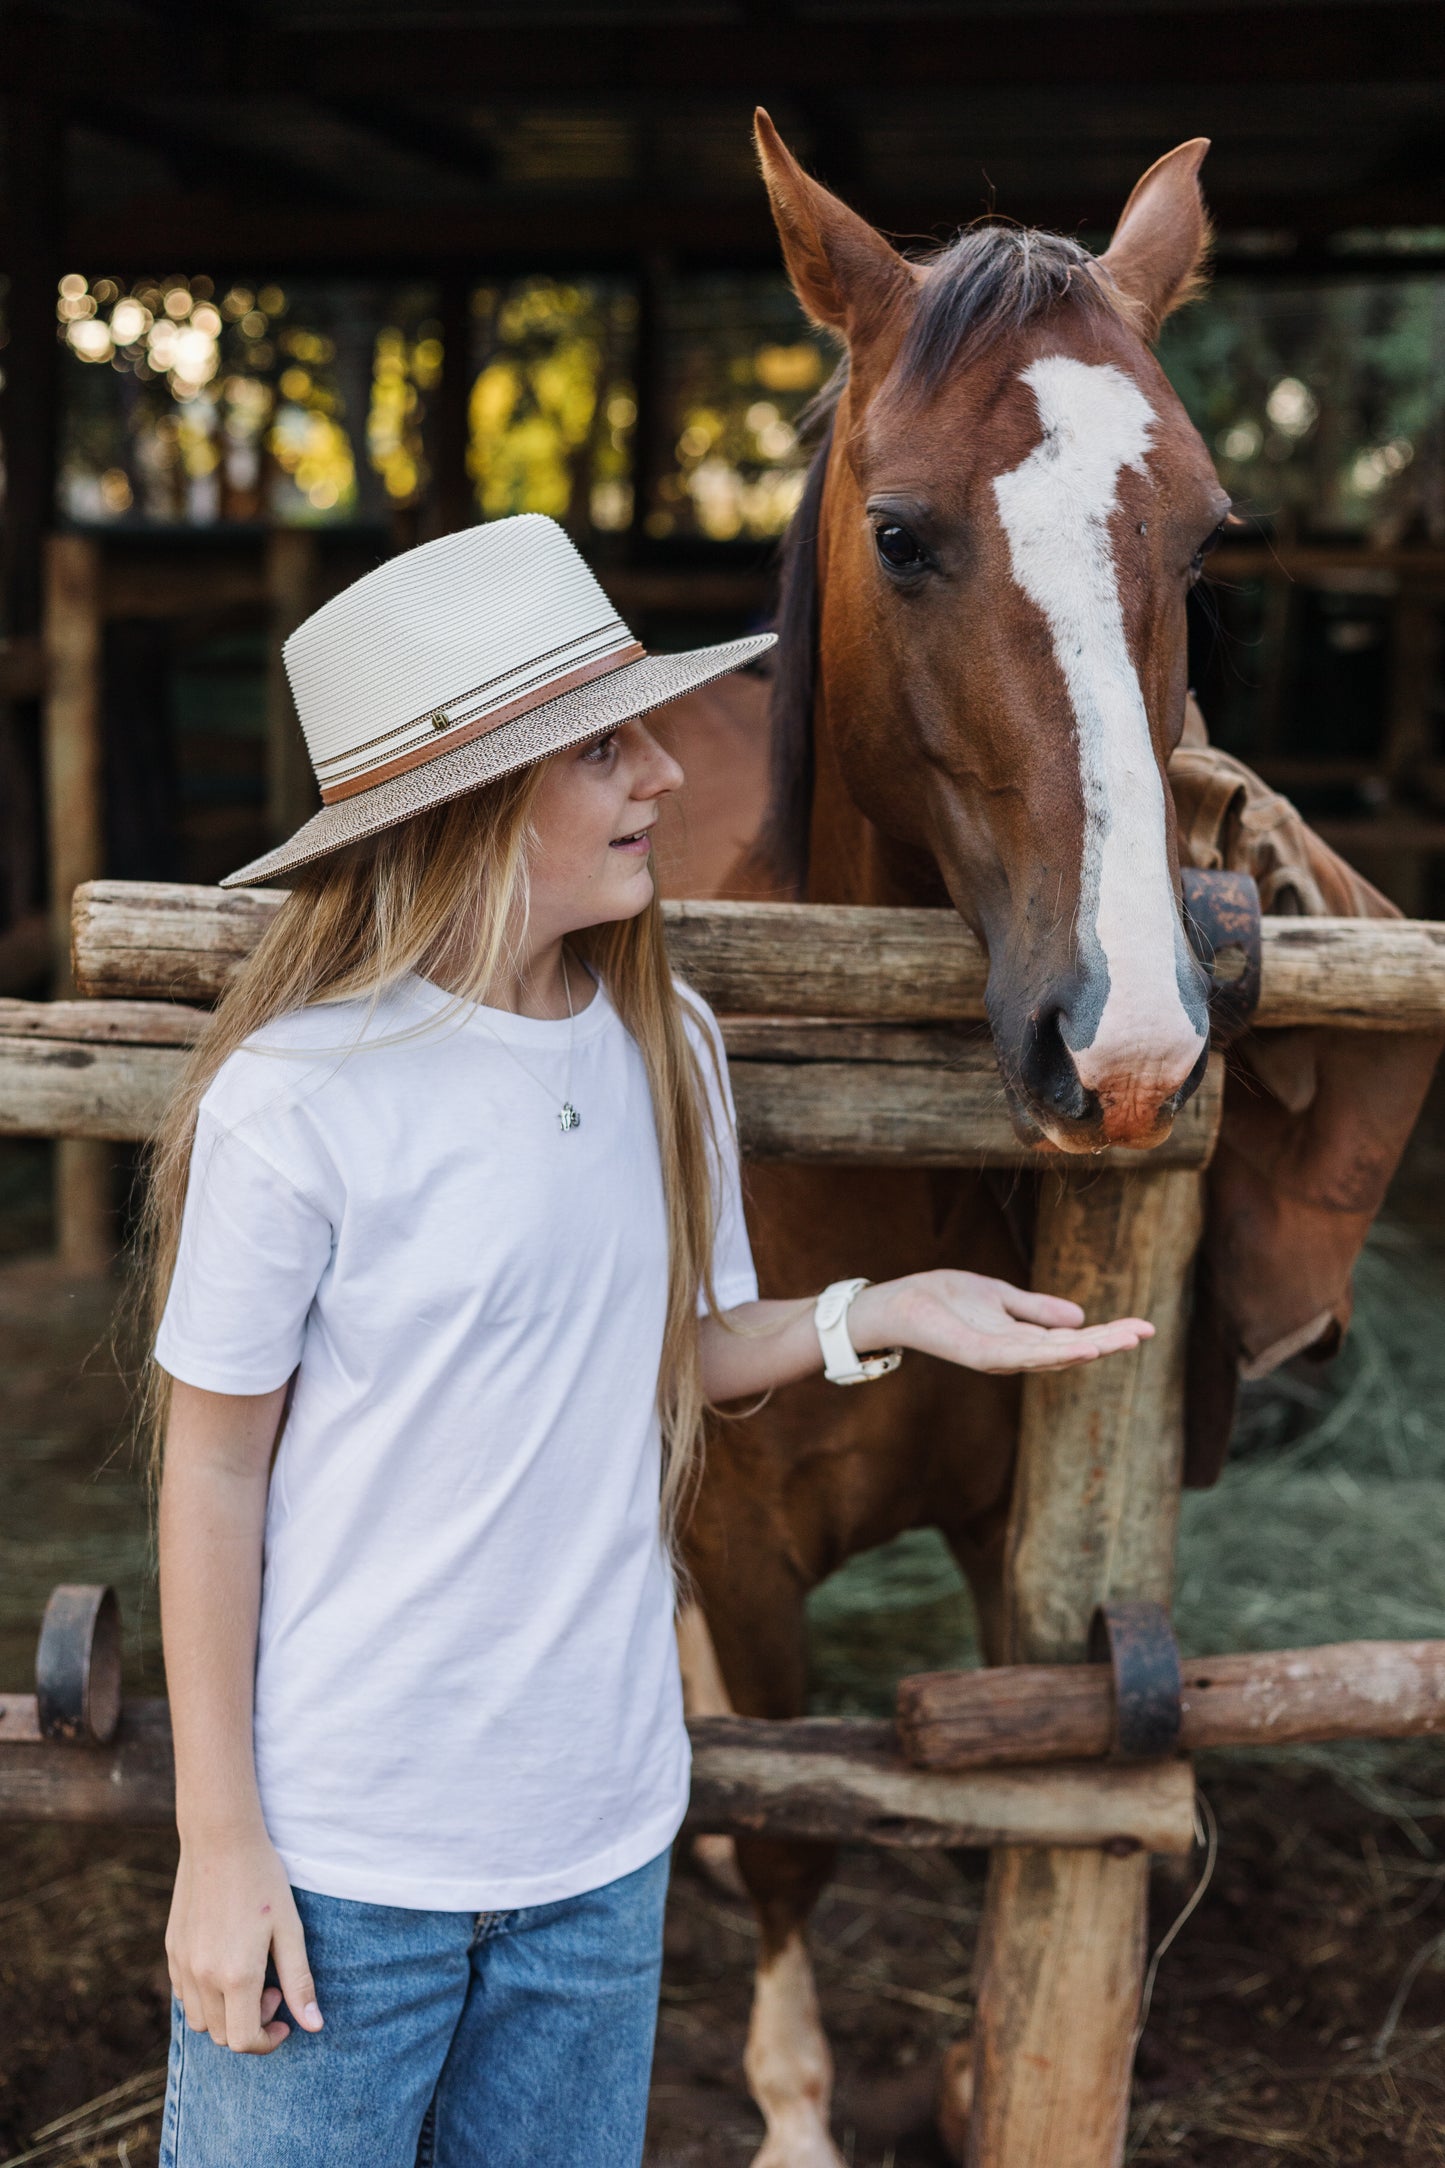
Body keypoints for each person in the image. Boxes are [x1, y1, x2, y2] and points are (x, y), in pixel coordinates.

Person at [146, 515, 1153, 2167]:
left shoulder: (660, 1043)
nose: (669, 777)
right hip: (344, 1866)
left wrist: (877, 1312)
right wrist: (219, 1844)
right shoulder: (296, 1101)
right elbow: (211, 1467)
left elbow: (667, 1348)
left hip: (600, 1850)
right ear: (468, 803)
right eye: (606, 749)